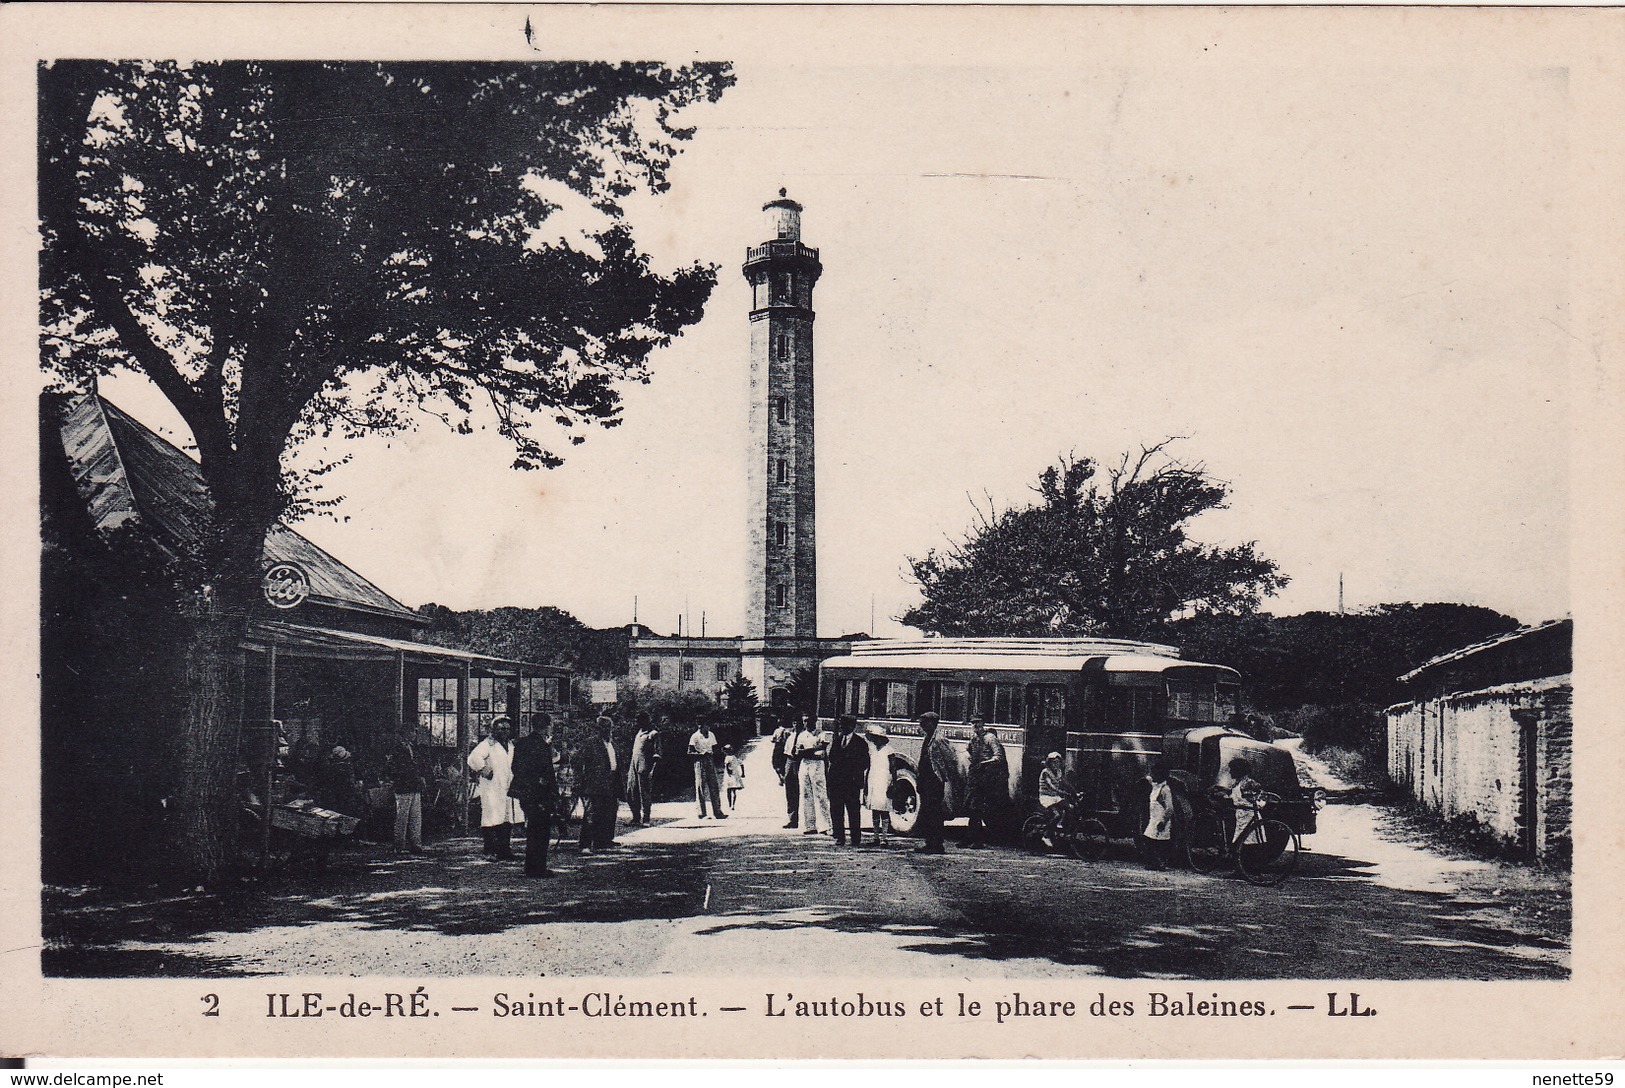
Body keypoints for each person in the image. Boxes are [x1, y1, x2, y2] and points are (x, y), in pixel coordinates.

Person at [509, 713, 559, 876]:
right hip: (539, 794)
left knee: (533, 829)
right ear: (546, 727)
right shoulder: (542, 746)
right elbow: (547, 772)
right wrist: (544, 785)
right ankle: (538, 868)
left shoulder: (522, 743)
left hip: (525, 793)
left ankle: (531, 867)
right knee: (541, 830)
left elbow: (515, 768)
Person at [466, 717, 520, 859]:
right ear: (494, 729)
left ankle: (505, 850)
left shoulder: (511, 745)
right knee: (491, 818)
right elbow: (473, 758)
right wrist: (484, 769)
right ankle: (490, 850)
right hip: (492, 787)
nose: (505, 732)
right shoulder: (487, 744)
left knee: (506, 819)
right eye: (502, 729)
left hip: (507, 787)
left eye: (507, 729)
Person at [574, 715, 622, 854]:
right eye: (604, 727)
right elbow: (577, 760)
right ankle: (585, 844)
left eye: (609, 727)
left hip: (611, 783)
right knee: (591, 815)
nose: (607, 730)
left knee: (609, 812)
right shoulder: (590, 743)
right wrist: (584, 777)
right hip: (595, 784)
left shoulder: (613, 744)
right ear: (598, 728)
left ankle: (604, 841)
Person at [964, 719, 1007, 848]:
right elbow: (968, 750)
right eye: (973, 723)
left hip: (986, 777)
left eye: (978, 723)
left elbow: (998, 756)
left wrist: (984, 763)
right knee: (971, 807)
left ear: (983, 724)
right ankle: (970, 838)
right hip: (974, 776)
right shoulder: (974, 739)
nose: (975, 726)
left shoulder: (990, 738)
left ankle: (977, 840)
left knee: (978, 808)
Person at [826, 715, 869, 846]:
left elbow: (865, 762)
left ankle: (855, 838)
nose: (841, 727)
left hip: (852, 783)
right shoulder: (837, 740)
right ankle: (840, 837)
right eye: (841, 725)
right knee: (836, 810)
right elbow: (832, 757)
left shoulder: (860, 742)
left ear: (852, 726)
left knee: (853, 811)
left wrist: (853, 771)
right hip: (836, 782)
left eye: (844, 725)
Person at [913, 712, 947, 854]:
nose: (922, 725)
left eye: (924, 723)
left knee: (934, 813)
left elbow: (948, 759)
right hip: (926, 780)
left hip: (934, 781)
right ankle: (929, 842)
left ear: (932, 723)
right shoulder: (928, 738)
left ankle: (937, 844)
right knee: (927, 811)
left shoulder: (939, 739)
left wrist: (943, 777)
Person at [386, 738, 427, 854]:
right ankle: (399, 845)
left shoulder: (414, 748)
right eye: (412, 731)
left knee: (416, 817)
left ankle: (416, 844)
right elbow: (394, 769)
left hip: (414, 786)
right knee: (402, 818)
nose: (414, 734)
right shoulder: (397, 750)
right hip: (403, 786)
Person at [794, 715, 831, 835]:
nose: (807, 723)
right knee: (806, 794)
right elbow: (797, 752)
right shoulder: (801, 735)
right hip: (805, 765)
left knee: (820, 795)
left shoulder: (821, 734)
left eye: (809, 721)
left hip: (817, 765)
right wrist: (811, 750)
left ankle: (825, 826)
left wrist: (805, 751)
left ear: (815, 721)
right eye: (804, 721)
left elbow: (822, 749)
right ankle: (810, 825)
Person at [626, 713, 662, 826]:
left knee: (644, 792)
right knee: (631, 791)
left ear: (647, 721)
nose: (638, 723)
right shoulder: (639, 733)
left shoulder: (653, 734)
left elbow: (657, 753)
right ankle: (635, 817)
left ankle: (646, 819)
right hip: (634, 765)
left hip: (644, 765)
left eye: (640, 720)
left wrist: (652, 770)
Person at [687, 721, 728, 819]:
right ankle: (701, 813)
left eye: (707, 726)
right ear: (699, 726)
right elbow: (689, 752)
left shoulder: (711, 735)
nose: (706, 728)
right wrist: (700, 754)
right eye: (703, 726)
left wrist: (717, 756)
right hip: (699, 762)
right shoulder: (695, 736)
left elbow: (715, 748)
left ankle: (717, 812)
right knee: (701, 786)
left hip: (710, 760)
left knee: (714, 786)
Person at [864, 723, 894, 844]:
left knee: (884, 809)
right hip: (873, 779)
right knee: (875, 809)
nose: (874, 740)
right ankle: (876, 837)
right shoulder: (872, 750)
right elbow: (869, 767)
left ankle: (885, 837)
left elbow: (893, 768)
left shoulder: (889, 750)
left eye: (876, 737)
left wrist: (893, 783)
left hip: (884, 780)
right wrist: (866, 784)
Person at [1143, 758, 1175, 870]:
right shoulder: (1155, 786)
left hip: (1161, 819)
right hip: (1154, 818)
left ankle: (1160, 863)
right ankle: (1155, 862)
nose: (1152, 775)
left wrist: (1163, 821)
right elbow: (1148, 778)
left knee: (1158, 842)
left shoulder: (1165, 789)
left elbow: (1170, 808)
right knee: (1150, 839)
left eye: (1154, 773)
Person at [772, 716, 802, 828]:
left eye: (799, 723)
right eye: (794, 722)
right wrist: (782, 769)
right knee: (790, 791)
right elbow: (784, 753)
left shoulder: (804, 736)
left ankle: (811, 822)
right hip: (790, 761)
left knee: (805, 791)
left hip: (801, 762)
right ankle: (792, 819)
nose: (796, 725)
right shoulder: (790, 736)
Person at [1227, 756, 1265, 845]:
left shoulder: (1247, 784)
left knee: (1247, 841)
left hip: (1248, 816)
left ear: (1238, 771)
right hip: (1241, 815)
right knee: (1239, 842)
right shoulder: (1238, 783)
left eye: (1232, 769)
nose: (1230, 772)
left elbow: (1256, 799)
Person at [722, 745, 745, 811]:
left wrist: (728, 771)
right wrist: (743, 773)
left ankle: (730, 805)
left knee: (729, 790)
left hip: (729, 775)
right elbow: (741, 764)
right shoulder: (734, 757)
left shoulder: (727, 757)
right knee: (733, 791)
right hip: (735, 775)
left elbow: (726, 765)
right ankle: (732, 805)